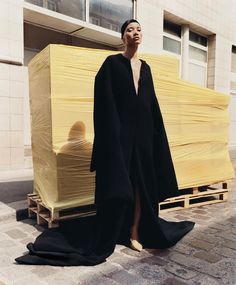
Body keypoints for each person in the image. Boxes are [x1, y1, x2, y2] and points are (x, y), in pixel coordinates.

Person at [15, 19, 194, 266]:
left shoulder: (146, 67)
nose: (135, 33)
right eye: (130, 30)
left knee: (142, 187)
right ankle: (117, 229)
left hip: (143, 138)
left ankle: (134, 232)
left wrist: (156, 137)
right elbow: (104, 105)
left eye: (139, 29)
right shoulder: (111, 64)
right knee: (123, 187)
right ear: (123, 37)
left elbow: (152, 104)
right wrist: (111, 140)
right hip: (121, 139)